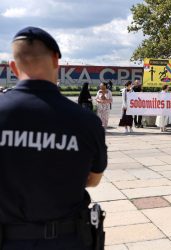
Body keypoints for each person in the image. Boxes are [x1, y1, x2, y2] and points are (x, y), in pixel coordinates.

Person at [0, 26, 107, 250]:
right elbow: (94, 180)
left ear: (12, 66)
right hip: (65, 239)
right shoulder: (86, 121)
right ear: (56, 60)